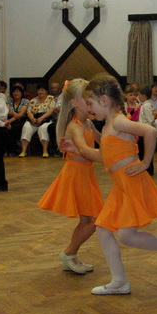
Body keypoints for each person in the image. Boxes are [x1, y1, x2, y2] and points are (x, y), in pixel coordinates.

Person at [61, 75, 157, 296]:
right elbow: (107, 154)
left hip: (131, 183)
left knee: (126, 236)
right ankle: (119, 281)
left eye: (91, 103)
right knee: (103, 229)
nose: (89, 109)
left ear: (103, 100)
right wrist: (76, 149)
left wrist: (145, 162)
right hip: (120, 186)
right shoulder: (108, 125)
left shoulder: (119, 121)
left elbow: (150, 131)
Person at [37, 78, 103, 274]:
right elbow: (85, 151)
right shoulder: (74, 126)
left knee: (88, 220)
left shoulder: (87, 122)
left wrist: (121, 137)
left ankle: (70, 255)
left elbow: (102, 139)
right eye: (86, 98)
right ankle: (68, 253)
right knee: (93, 220)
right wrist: (110, 157)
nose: (91, 101)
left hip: (86, 173)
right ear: (74, 102)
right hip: (77, 175)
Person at [20, 85, 56, 157]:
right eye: (39, 90)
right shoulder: (33, 100)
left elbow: (51, 111)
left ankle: (45, 151)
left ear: (46, 91)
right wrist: (32, 118)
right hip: (34, 119)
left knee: (43, 128)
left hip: (46, 119)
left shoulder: (51, 98)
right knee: (26, 127)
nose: (40, 92)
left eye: (42, 90)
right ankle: (23, 151)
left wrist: (41, 118)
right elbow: (29, 112)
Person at [5, 83, 30, 157]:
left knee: (14, 128)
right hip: (9, 119)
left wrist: (10, 120)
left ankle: (15, 150)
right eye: (14, 92)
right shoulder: (9, 100)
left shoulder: (25, 101)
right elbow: (6, 111)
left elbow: (21, 114)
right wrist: (12, 113)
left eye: (17, 91)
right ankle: (7, 150)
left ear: (21, 93)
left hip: (21, 121)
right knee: (4, 129)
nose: (16, 93)